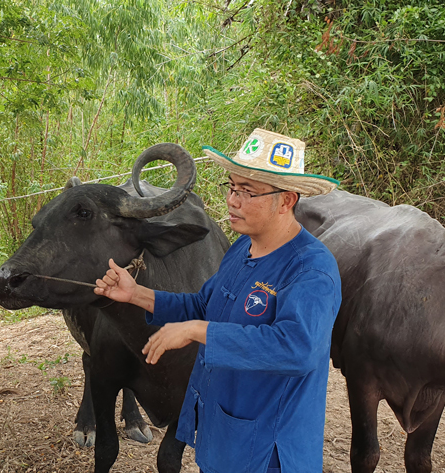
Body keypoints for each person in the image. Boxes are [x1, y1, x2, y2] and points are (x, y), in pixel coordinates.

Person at [94, 129, 342, 473]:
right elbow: (203, 305)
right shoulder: (243, 247)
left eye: (248, 192)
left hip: (270, 450)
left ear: (287, 200)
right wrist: (136, 294)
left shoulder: (311, 270)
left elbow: (297, 349)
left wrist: (199, 331)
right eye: (232, 186)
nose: (232, 200)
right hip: (225, 432)